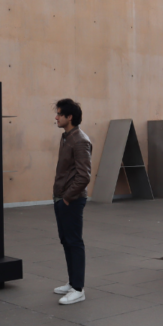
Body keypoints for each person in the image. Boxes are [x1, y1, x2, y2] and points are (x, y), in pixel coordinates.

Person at [52, 98, 93, 305]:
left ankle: (78, 288)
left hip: (71, 200)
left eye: (59, 114)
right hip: (62, 198)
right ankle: (72, 282)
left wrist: (68, 197)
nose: (56, 117)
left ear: (70, 117)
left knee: (74, 242)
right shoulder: (67, 137)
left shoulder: (80, 140)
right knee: (66, 240)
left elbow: (84, 175)